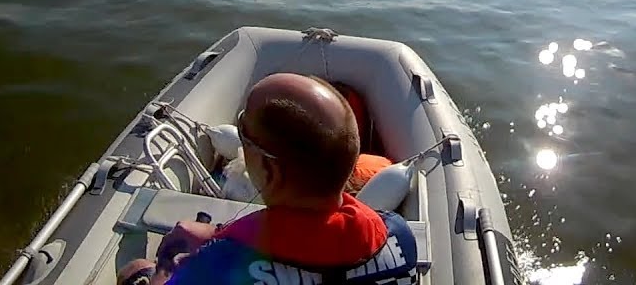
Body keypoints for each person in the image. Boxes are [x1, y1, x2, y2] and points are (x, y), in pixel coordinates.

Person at [117, 73, 417, 285]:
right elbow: (316, 241)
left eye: (243, 133)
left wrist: (165, 269)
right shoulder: (398, 234)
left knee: (137, 269)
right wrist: (217, 235)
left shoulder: (215, 268)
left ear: (269, 170)